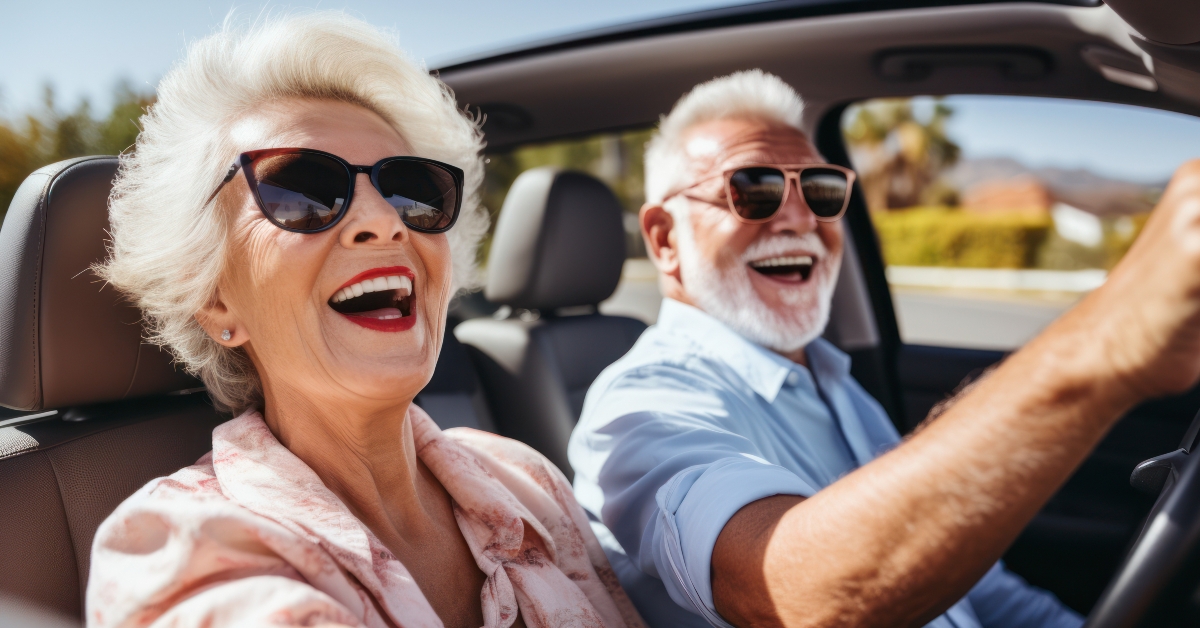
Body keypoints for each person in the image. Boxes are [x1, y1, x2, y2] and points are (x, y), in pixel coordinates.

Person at [570, 69, 1200, 627]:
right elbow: (789, 593)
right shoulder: (642, 406)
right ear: (664, 240)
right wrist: (1105, 342)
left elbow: (983, 590)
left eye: (819, 189)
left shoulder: (833, 381)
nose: (798, 218)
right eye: (754, 188)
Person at [86, 13, 645, 628]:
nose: (384, 220)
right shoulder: (189, 547)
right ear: (216, 299)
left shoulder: (524, 476)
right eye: (300, 192)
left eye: (412, 189)